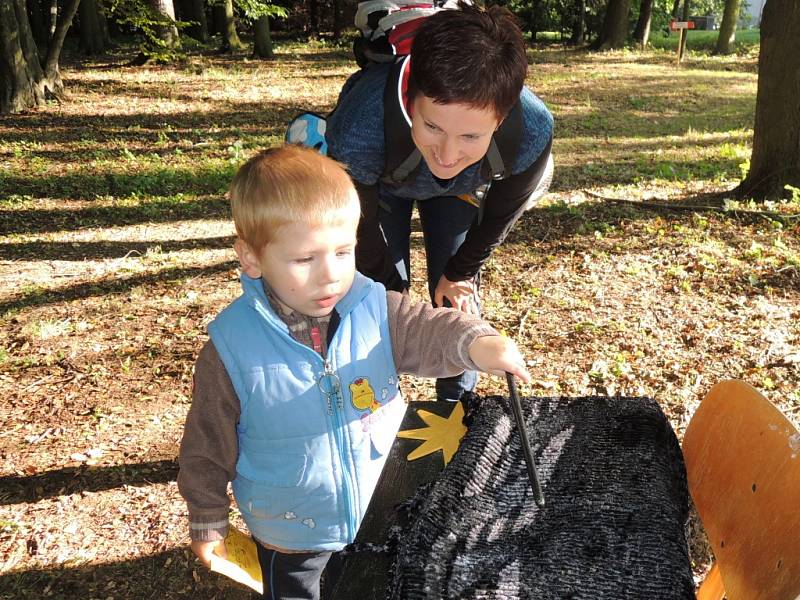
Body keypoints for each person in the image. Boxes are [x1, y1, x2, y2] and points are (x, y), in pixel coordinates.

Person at [177, 145, 531, 600]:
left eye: (343, 252)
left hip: (380, 505)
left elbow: (429, 329)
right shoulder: (232, 348)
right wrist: (207, 517)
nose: (330, 276)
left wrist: (476, 343)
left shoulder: (374, 308)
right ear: (251, 258)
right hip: (289, 532)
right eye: (305, 260)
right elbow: (207, 443)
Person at [326, 2, 554, 402]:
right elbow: (357, 224)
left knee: (456, 295)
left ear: (499, 121)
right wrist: (388, 291)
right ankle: (374, 403)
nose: (447, 154)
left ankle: (456, 407)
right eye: (432, 125)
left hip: (462, 190)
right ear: (412, 98)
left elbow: (501, 212)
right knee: (375, 299)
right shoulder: (361, 126)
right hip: (383, 186)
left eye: (471, 136)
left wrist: (462, 270)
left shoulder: (531, 130)